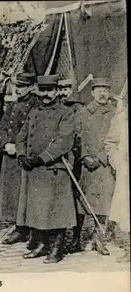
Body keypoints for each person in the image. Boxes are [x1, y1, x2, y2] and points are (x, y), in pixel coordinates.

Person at [15, 74, 77, 263]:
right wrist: (21, 155)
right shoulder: (34, 112)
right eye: (43, 90)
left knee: (55, 210)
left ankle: (56, 249)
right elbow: (21, 136)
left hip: (54, 168)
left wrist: (41, 159)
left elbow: (63, 141)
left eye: (50, 90)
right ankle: (42, 245)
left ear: (57, 91)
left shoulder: (66, 113)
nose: (46, 94)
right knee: (37, 210)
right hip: (35, 170)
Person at [72, 78, 117, 255]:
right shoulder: (82, 113)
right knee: (81, 203)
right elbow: (77, 138)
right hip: (85, 165)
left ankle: (99, 240)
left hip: (105, 166)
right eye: (98, 89)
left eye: (106, 89)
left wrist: (100, 158)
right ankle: (76, 239)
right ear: (92, 92)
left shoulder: (114, 113)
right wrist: (83, 157)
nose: (102, 93)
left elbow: (117, 140)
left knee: (104, 203)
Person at [0, 73, 37, 245]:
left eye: (21, 87)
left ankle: (28, 228)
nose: (17, 90)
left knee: (25, 192)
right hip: (10, 155)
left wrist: (17, 148)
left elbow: (32, 131)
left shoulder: (35, 105)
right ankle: (18, 227)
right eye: (16, 86)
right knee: (13, 193)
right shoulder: (12, 105)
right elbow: (2, 126)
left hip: (25, 155)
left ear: (30, 87)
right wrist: (5, 143)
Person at [105, 100, 130, 263]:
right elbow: (110, 142)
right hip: (126, 170)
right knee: (126, 209)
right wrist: (117, 159)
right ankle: (129, 249)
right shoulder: (121, 118)